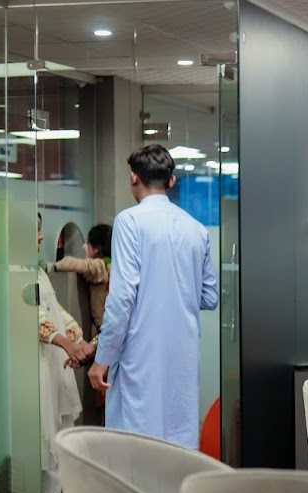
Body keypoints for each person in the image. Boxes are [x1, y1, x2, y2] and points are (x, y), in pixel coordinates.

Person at [89, 144, 218, 449]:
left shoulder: (129, 222)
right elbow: (210, 296)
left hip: (139, 357)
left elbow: (121, 298)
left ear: (133, 177)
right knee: (177, 451)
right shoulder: (197, 230)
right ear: (171, 181)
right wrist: (175, 291)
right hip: (182, 360)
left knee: (137, 452)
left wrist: (102, 359)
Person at [35, 214, 86, 493]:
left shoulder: (37, 271)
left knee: (56, 428)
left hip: (52, 358)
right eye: (36, 230)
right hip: (37, 361)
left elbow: (55, 310)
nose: (41, 238)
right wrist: (68, 344)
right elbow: (33, 317)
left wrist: (77, 337)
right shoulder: (15, 271)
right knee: (43, 431)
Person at [49, 223, 112, 339]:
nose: (83, 246)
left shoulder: (100, 266)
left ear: (97, 249)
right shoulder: (110, 263)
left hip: (104, 332)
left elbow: (67, 264)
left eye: (88, 243)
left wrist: (52, 267)